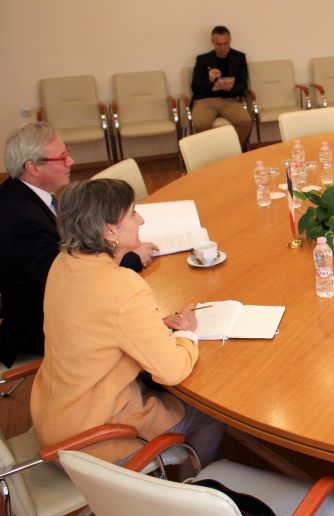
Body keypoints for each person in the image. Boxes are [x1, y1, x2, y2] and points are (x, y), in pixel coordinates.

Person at [30, 179, 226, 466]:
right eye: (133, 213)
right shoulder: (122, 286)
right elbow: (172, 371)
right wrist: (187, 333)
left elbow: (96, 324)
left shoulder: (63, 262)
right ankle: (197, 482)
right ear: (109, 231)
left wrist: (152, 324)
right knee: (212, 411)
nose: (141, 220)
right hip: (94, 442)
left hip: (56, 420)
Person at [0, 122, 157, 367]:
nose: (71, 161)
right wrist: (131, 257)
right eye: (62, 157)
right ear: (32, 167)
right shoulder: (22, 218)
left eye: (68, 153)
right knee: (141, 328)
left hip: (58, 307)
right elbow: (70, 280)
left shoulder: (23, 194)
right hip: (45, 326)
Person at [190, 25, 252, 148]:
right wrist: (209, 79)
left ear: (230, 41)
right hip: (206, 100)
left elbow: (243, 85)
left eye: (225, 43)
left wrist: (231, 88)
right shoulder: (203, 59)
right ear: (212, 42)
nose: (222, 48)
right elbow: (195, 87)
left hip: (230, 100)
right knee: (201, 124)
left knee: (245, 121)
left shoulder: (239, 57)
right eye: (219, 44)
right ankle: (211, 152)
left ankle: (234, 150)